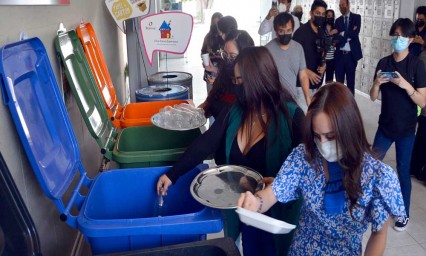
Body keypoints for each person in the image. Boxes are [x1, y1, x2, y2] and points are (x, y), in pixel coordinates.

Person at [157, 46, 304, 256]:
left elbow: (311, 166)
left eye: (240, 81)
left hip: (278, 214)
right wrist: (173, 174)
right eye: (235, 80)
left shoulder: (292, 117)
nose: (236, 86)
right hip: (246, 211)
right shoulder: (237, 111)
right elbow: (206, 143)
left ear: (259, 78)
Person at [238, 82, 406, 255]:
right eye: (317, 136)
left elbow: (379, 233)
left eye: (330, 136)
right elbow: (274, 192)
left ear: (350, 129)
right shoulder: (305, 157)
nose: (323, 144)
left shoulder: (377, 176)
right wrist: (256, 202)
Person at [370, 18, 426, 231]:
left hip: (407, 130)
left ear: (411, 40)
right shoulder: (384, 62)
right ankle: (369, 205)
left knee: (403, 171)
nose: (397, 39)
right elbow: (374, 97)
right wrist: (376, 83)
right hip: (385, 126)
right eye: (395, 35)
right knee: (372, 166)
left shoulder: (416, 65)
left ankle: (403, 213)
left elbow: (422, 100)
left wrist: (405, 85)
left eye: (402, 36)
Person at [201, 30, 255, 119]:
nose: (227, 60)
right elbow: (209, 103)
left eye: (233, 56)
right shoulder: (223, 76)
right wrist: (193, 113)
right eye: (225, 55)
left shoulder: (253, 86)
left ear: (246, 57)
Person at [265, 12, 310, 106]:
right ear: (276, 30)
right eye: (281, 31)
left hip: (292, 101)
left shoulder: (298, 48)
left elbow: (303, 76)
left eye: (288, 30)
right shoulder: (267, 50)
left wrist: (307, 98)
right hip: (273, 102)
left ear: (293, 29)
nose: (285, 34)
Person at [293, 0, 327, 100]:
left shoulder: (321, 31)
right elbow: (293, 58)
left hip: (317, 86)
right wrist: (307, 72)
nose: (320, 16)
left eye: (323, 14)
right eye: (317, 13)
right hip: (302, 86)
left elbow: (323, 52)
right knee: (304, 115)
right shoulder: (300, 33)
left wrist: (325, 65)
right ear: (311, 13)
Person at [332, 0, 362, 95]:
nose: (341, 7)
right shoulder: (338, 20)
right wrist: (348, 35)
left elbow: (355, 33)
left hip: (351, 56)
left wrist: (342, 33)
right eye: (340, 5)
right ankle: (339, 105)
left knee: (350, 84)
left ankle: (350, 106)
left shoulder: (356, 18)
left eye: (343, 5)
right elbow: (336, 38)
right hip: (339, 56)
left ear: (348, 5)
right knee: (339, 84)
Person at [411, 41, 426, 181]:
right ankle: (416, 168)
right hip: (423, 106)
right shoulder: (423, 58)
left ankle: (415, 167)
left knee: (421, 137)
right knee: (422, 137)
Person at [201, 12, 224, 91]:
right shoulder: (208, 37)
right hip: (210, 72)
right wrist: (204, 61)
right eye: (214, 23)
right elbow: (203, 51)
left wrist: (220, 56)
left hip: (222, 72)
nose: (216, 25)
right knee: (211, 95)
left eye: (218, 23)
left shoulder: (225, 37)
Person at [325, 9, 337, 83]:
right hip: (323, 59)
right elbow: (323, 42)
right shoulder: (322, 28)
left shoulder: (334, 28)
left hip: (331, 58)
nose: (330, 17)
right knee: (318, 81)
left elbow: (335, 43)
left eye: (332, 16)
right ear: (325, 16)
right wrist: (330, 34)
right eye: (329, 16)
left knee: (329, 82)